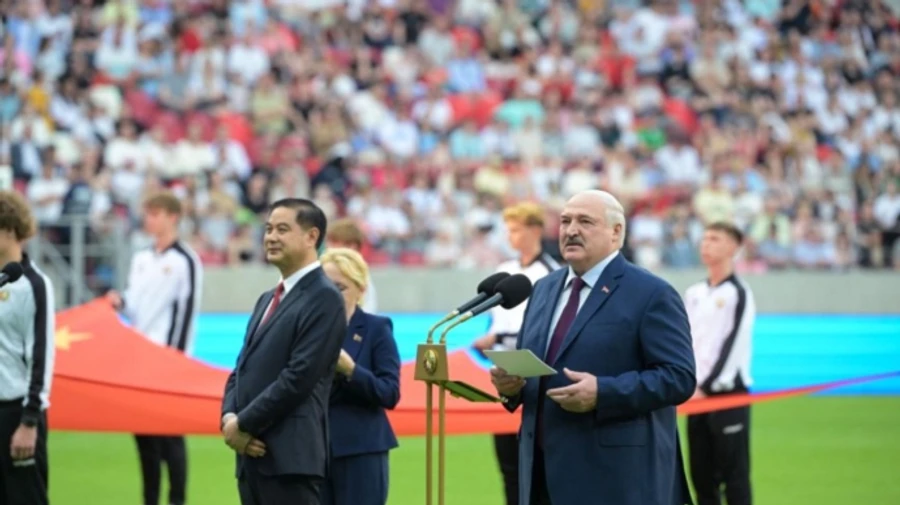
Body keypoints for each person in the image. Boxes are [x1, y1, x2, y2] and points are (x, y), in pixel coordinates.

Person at [489, 190, 696, 505]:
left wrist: (603, 392)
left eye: (585, 221)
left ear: (616, 233)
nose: (571, 230)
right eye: (565, 221)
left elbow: (679, 377)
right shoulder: (543, 289)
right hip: (541, 475)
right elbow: (537, 369)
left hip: (615, 479)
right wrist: (511, 387)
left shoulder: (652, 293)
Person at [221, 198, 347, 505]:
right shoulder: (266, 299)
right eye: (268, 229)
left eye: (282, 229)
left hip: (289, 460)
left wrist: (244, 424)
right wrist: (228, 419)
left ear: (311, 237)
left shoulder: (325, 298)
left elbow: (299, 377)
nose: (271, 237)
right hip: (251, 458)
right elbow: (241, 368)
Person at [105, 191, 202, 505]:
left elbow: (187, 311)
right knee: (144, 435)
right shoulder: (141, 258)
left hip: (166, 358)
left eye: (155, 213)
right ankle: (149, 499)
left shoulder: (185, 259)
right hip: (139, 358)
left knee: (171, 434)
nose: (149, 220)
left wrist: (174, 358)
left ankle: (176, 499)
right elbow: (134, 302)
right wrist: (119, 301)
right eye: (147, 213)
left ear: (172, 217)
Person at [472, 202, 560, 505]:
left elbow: (548, 328)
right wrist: (490, 343)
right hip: (504, 375)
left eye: (516, 229)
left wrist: (499, 337)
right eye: (508, 230)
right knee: (508, 467)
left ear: (535, 229)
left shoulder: (551, 273)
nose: (511, 236)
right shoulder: (504, 271)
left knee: (537, 467)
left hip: (533, 377)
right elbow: (494, 318)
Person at [319, 247, 401, 505]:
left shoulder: (376, 329)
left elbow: (389, 392)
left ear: (360, 289)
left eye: (340, 287)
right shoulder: (306, 329)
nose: (331, 295)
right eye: (326, 287)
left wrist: (352, 370)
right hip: (312, 452)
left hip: (361, 450)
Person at [684, 221, 756, 505]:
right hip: (695, 397)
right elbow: (685, 342)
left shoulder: (738, 293)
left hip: (727, 397)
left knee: (735, 477)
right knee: (701, 477)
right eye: (704, 239)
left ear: (733, 247)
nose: (706, 244)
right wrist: (689, 384)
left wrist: (708, 385)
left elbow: (734, 345)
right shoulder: (693, 293)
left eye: (714, 239)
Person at [0, 190, 55, 505]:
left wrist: (29, 421)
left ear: (9, 229)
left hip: (17, 413)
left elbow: (41, 355)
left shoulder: (34, 284)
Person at [326, 218, 378, 313]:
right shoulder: (321, 271)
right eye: (329, 242)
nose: (329, 247)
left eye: (334, 242)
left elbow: (368, 312)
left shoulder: (362, 278)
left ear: (351, 246)